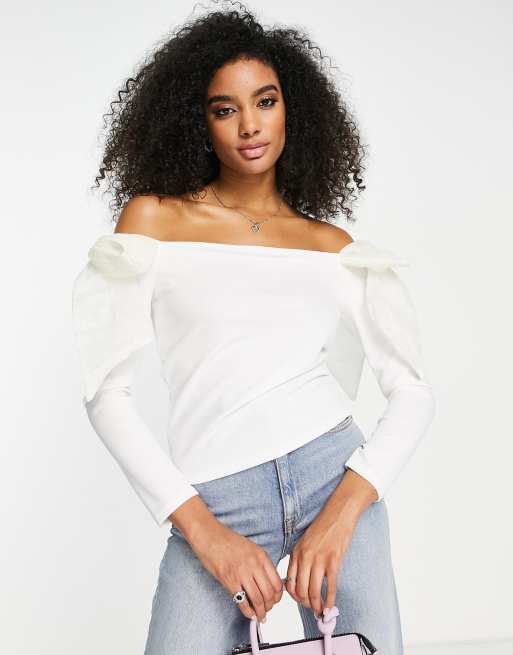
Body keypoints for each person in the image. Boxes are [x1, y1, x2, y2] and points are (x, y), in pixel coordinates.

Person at [71, 3, 436, 653]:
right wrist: (203, 530)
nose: (249, 125)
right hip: (216, 499)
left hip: (334, 479)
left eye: (265, 101)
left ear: (292, 108)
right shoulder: (154, 221)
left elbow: (412, 391)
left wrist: (343, 514)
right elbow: (106, 394)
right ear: (197, 121)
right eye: (224, 109)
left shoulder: (330, 245)